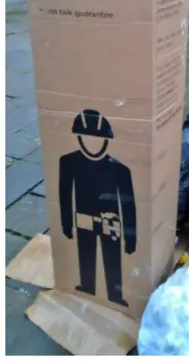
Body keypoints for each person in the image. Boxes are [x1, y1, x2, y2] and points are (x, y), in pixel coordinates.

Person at [59, 109, 136, 307]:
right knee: (85, 253)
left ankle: (115, 294)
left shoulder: (120, 169)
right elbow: (65, 194)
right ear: (79, 138)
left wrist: (130, 236)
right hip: (84, 218)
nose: (92, 143)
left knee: (112, 256)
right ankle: (87, 286)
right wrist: (66, 224)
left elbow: (127, 203)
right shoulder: (68, 163)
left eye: (97, 138)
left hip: (111, 221)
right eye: (87, 137)